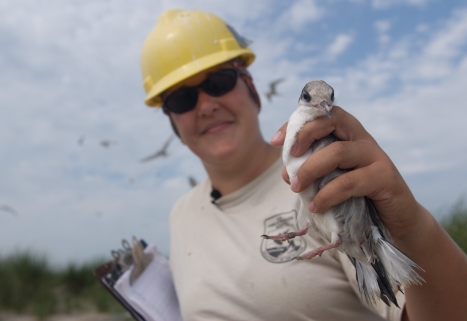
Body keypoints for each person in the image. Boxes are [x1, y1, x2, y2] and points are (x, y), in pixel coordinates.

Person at [139, 9, 467, 321]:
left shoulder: (335, 177)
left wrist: (414, 227)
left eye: (219, 82)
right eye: (181, 99)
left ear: (252, 88)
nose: (207, 105)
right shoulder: (181, 214)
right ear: (171, 121)